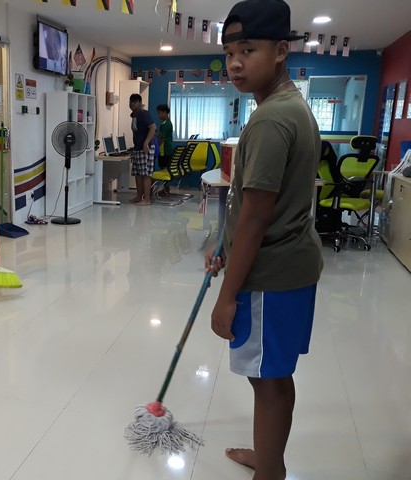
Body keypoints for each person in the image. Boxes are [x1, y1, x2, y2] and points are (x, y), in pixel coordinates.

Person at [204, 1, 323, 479]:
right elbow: (246, 208)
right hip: (289, 267)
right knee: (272, 376)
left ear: (280, 51)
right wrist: (224, 246)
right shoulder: (289, 106)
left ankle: (269, 472)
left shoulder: (271, 119)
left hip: (270, 277)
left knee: (267, 381)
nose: (235, 63)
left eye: (247, 50)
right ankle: (270, 457)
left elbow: (255, 218)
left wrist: (227, 296)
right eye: (230, 53)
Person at [129, 93, 157, 206]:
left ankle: (147, 199)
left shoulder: (143, 113)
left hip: (145, 148)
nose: (132, 104)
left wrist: (146, 143)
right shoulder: (134, 115)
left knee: (145, 174)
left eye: (135, 102)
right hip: (137, 148)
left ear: (140, 103)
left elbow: (153, 127)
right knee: (138, 174)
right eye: (130, 102)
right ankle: (138, 196)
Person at [156, 104, 174, 195]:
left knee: (164, 170)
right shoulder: (169, 123)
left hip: (164, 151)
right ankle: (166, 188)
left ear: (164, 112)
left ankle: (165, 189)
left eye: (159, 113)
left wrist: (155, 148)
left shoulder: (164, 125)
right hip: (169, 150)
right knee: (166, 170)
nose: (158, 115)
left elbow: (161, 139)